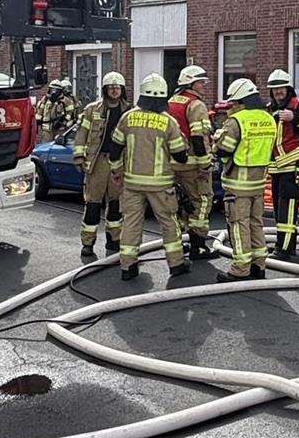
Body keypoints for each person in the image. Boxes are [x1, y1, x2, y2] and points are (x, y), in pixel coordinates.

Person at [107, 73, 191, 282]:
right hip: (161, 186)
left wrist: (116, 172)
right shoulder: (168, 122)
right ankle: (176, 264)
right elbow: (180, 156)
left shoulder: (128, 117)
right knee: (169, 223)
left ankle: (128, 266)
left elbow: (115, 150)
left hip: (132, 183)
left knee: (131, 224)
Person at [212, 78, 276, 282]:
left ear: (240, 101)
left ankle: (240, 269)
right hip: (259, 182)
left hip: (237, 184)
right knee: (256, 223)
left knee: (239, 225)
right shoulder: (268, 118)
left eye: (233, 103)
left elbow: (223, 149)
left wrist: (216, 143)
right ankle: (259, 265)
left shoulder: (236, 121)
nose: (232, 107)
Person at [73, 71, 129, 261]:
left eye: (117, 87)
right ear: (105, 90)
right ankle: (88, 244)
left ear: (122, 90)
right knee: (93, 204)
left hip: (119, 163)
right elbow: (81, 134)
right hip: (97, 163)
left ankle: (113, 240)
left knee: (115, 204)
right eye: (111, 87)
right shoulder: (92, 110)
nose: (114, 90)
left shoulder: (129, 111)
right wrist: (79, 157)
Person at [264, 69, 299, 259]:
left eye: (280, 88)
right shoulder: (270, 108)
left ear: (288, 88)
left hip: (292, 166)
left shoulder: (297, 105)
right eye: (274, 89)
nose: (277, 91)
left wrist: (295, 118)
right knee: (278, 209)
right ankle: (284, 245)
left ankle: (284, 250)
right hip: (276, 167)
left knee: (287, 211)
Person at [168, 65, 218, 260]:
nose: (203, 86)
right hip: (192, 165)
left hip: (173, 164)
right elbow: (198, 138)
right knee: (202, 201)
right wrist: (206, 165)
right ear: (190, 83)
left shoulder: (171, 102)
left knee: (180, 204)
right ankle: (198, 246)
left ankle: (179, 244)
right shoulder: (196, 105)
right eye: (200, 82)